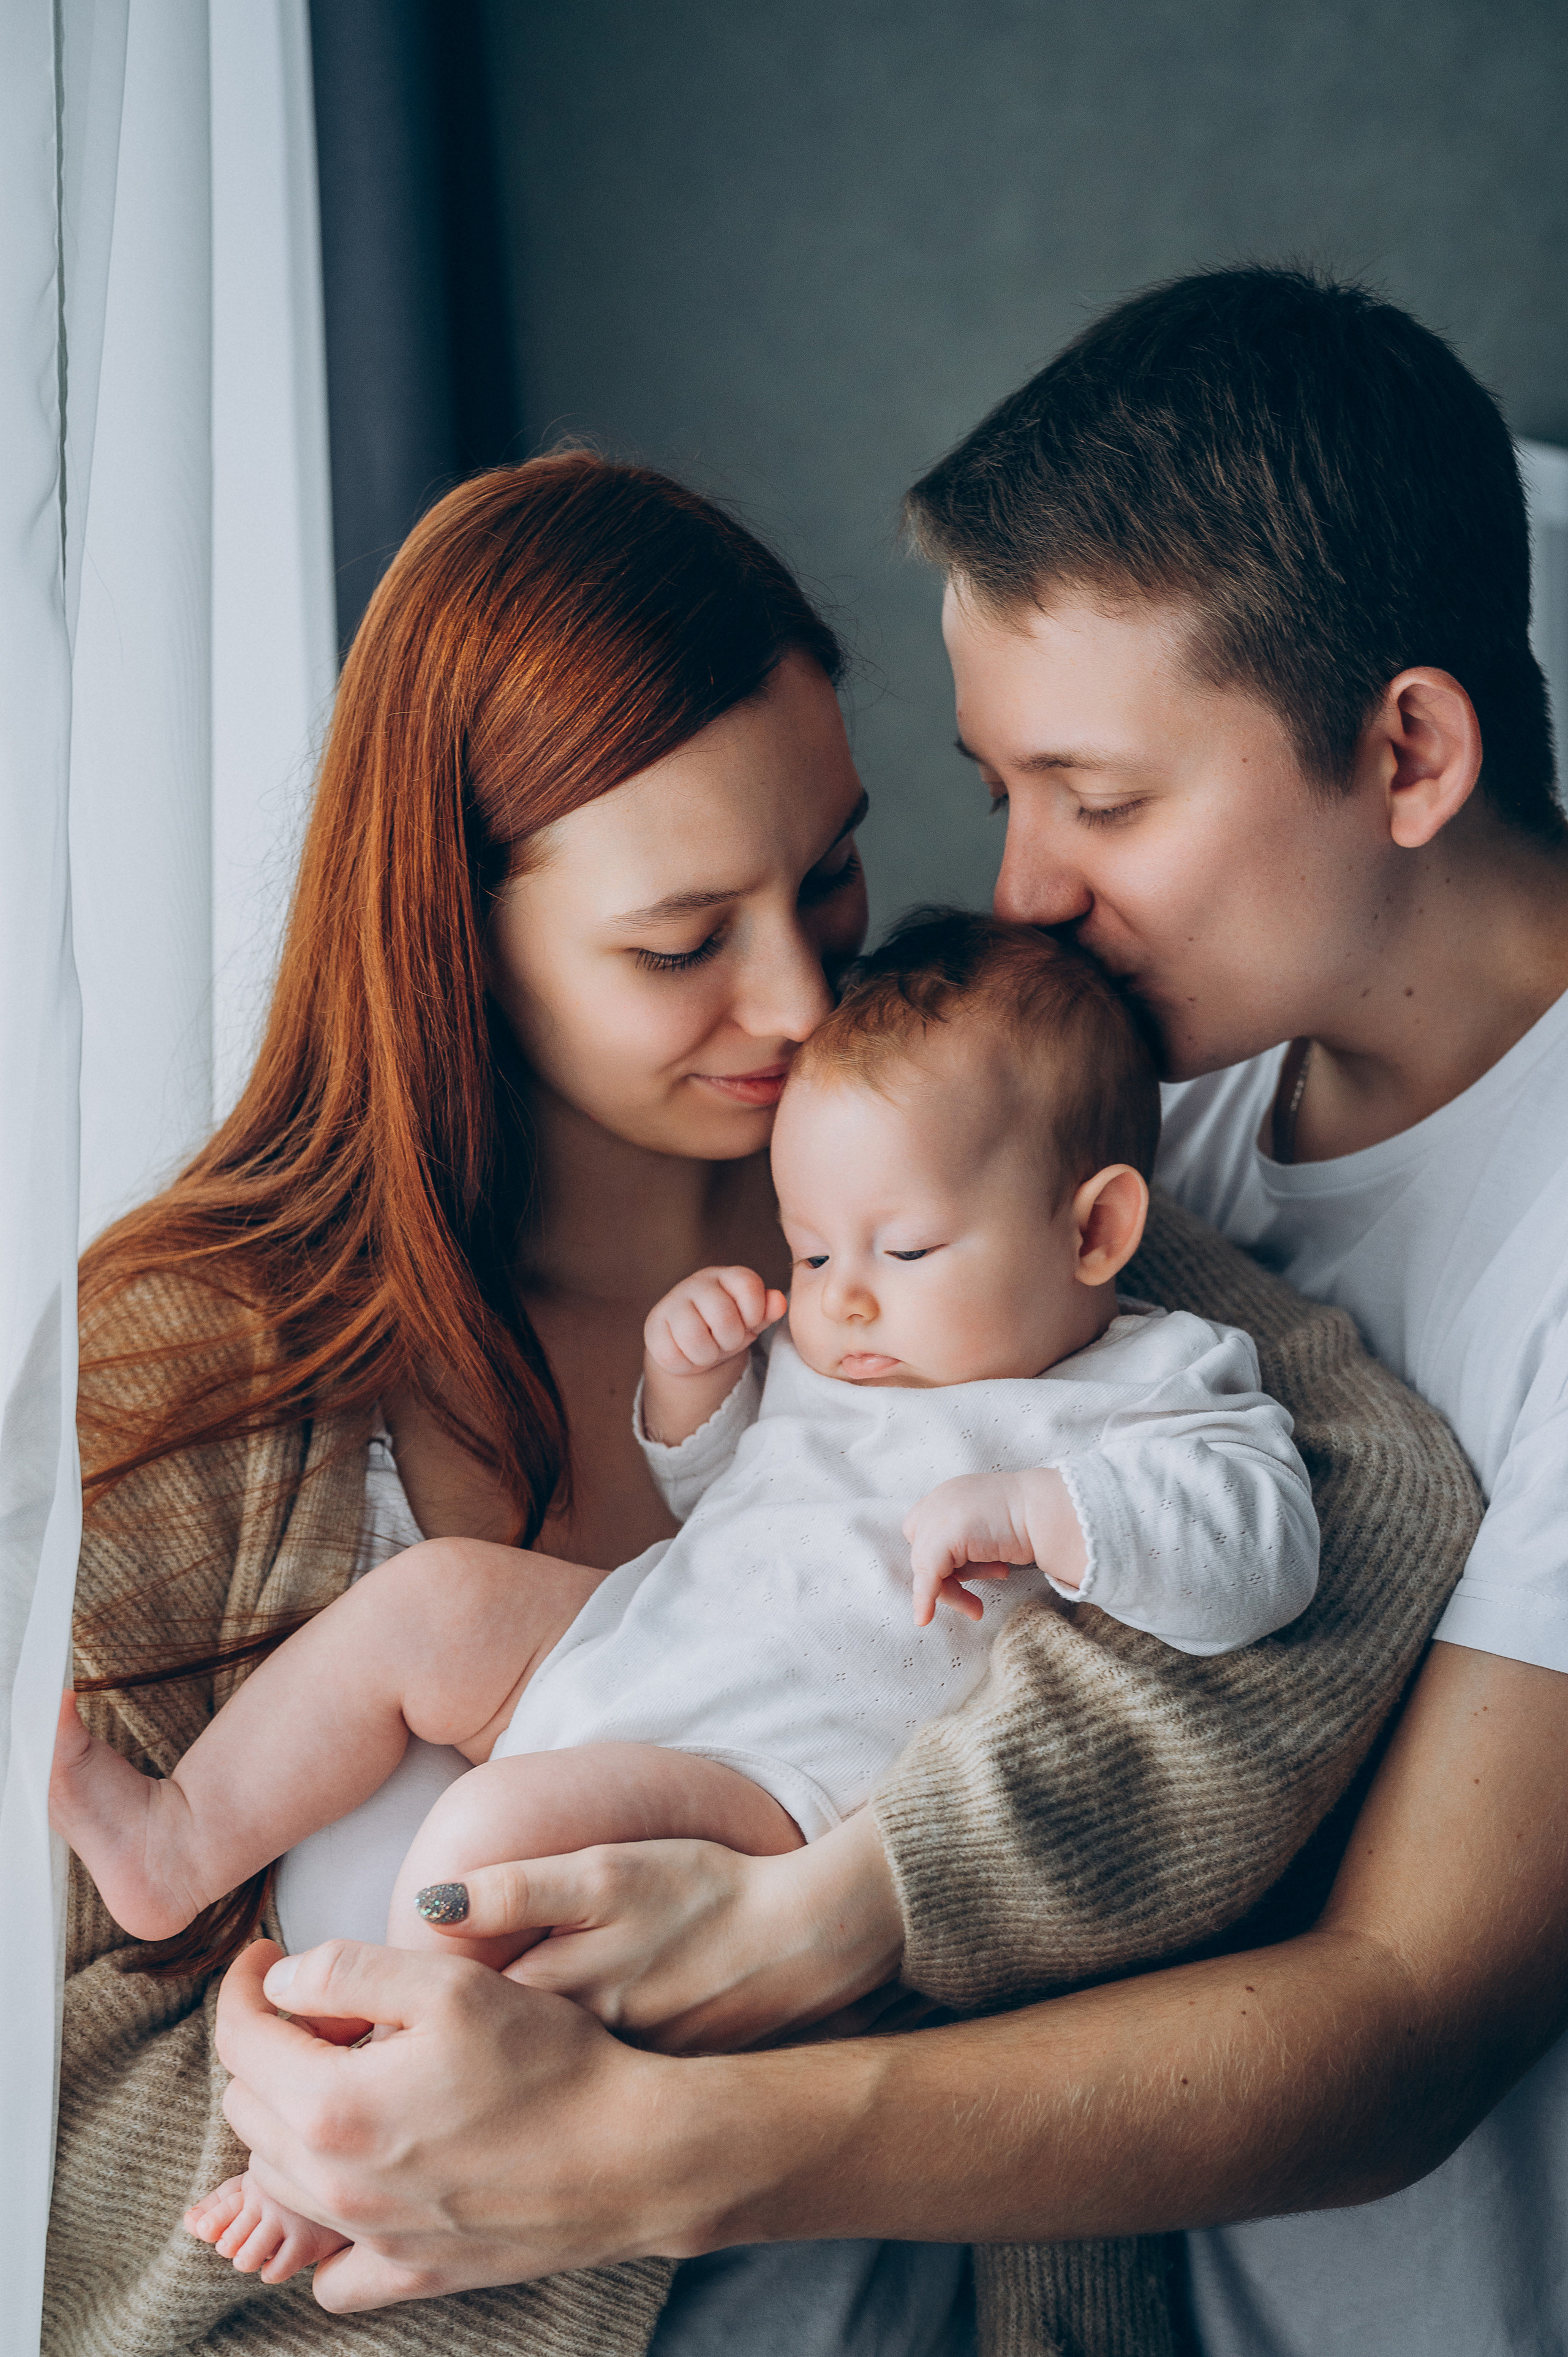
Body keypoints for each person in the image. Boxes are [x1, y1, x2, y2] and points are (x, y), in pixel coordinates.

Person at [208, 266, 1568, 2357]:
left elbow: (1403, 2015)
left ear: (1408, 750)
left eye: (1100, 801)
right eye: (998, 786)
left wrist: (681, 2088)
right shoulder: (1138, 1076)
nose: (1017, 885)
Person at [55, 909, 1321, 2287]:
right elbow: (723, 1495)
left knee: (492, 1833)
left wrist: (1050, 1515)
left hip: (768, 1784)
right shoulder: (847, 1357)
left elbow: (1262, 1552)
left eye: (899, 1253)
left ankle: (349, 2140)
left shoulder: (1153, 1384)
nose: (840, 1304)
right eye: (812, 1249)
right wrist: (694, 1392)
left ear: (1094, 1229)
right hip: (626, 1634)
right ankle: (179, 1842)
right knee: (430, 1602)